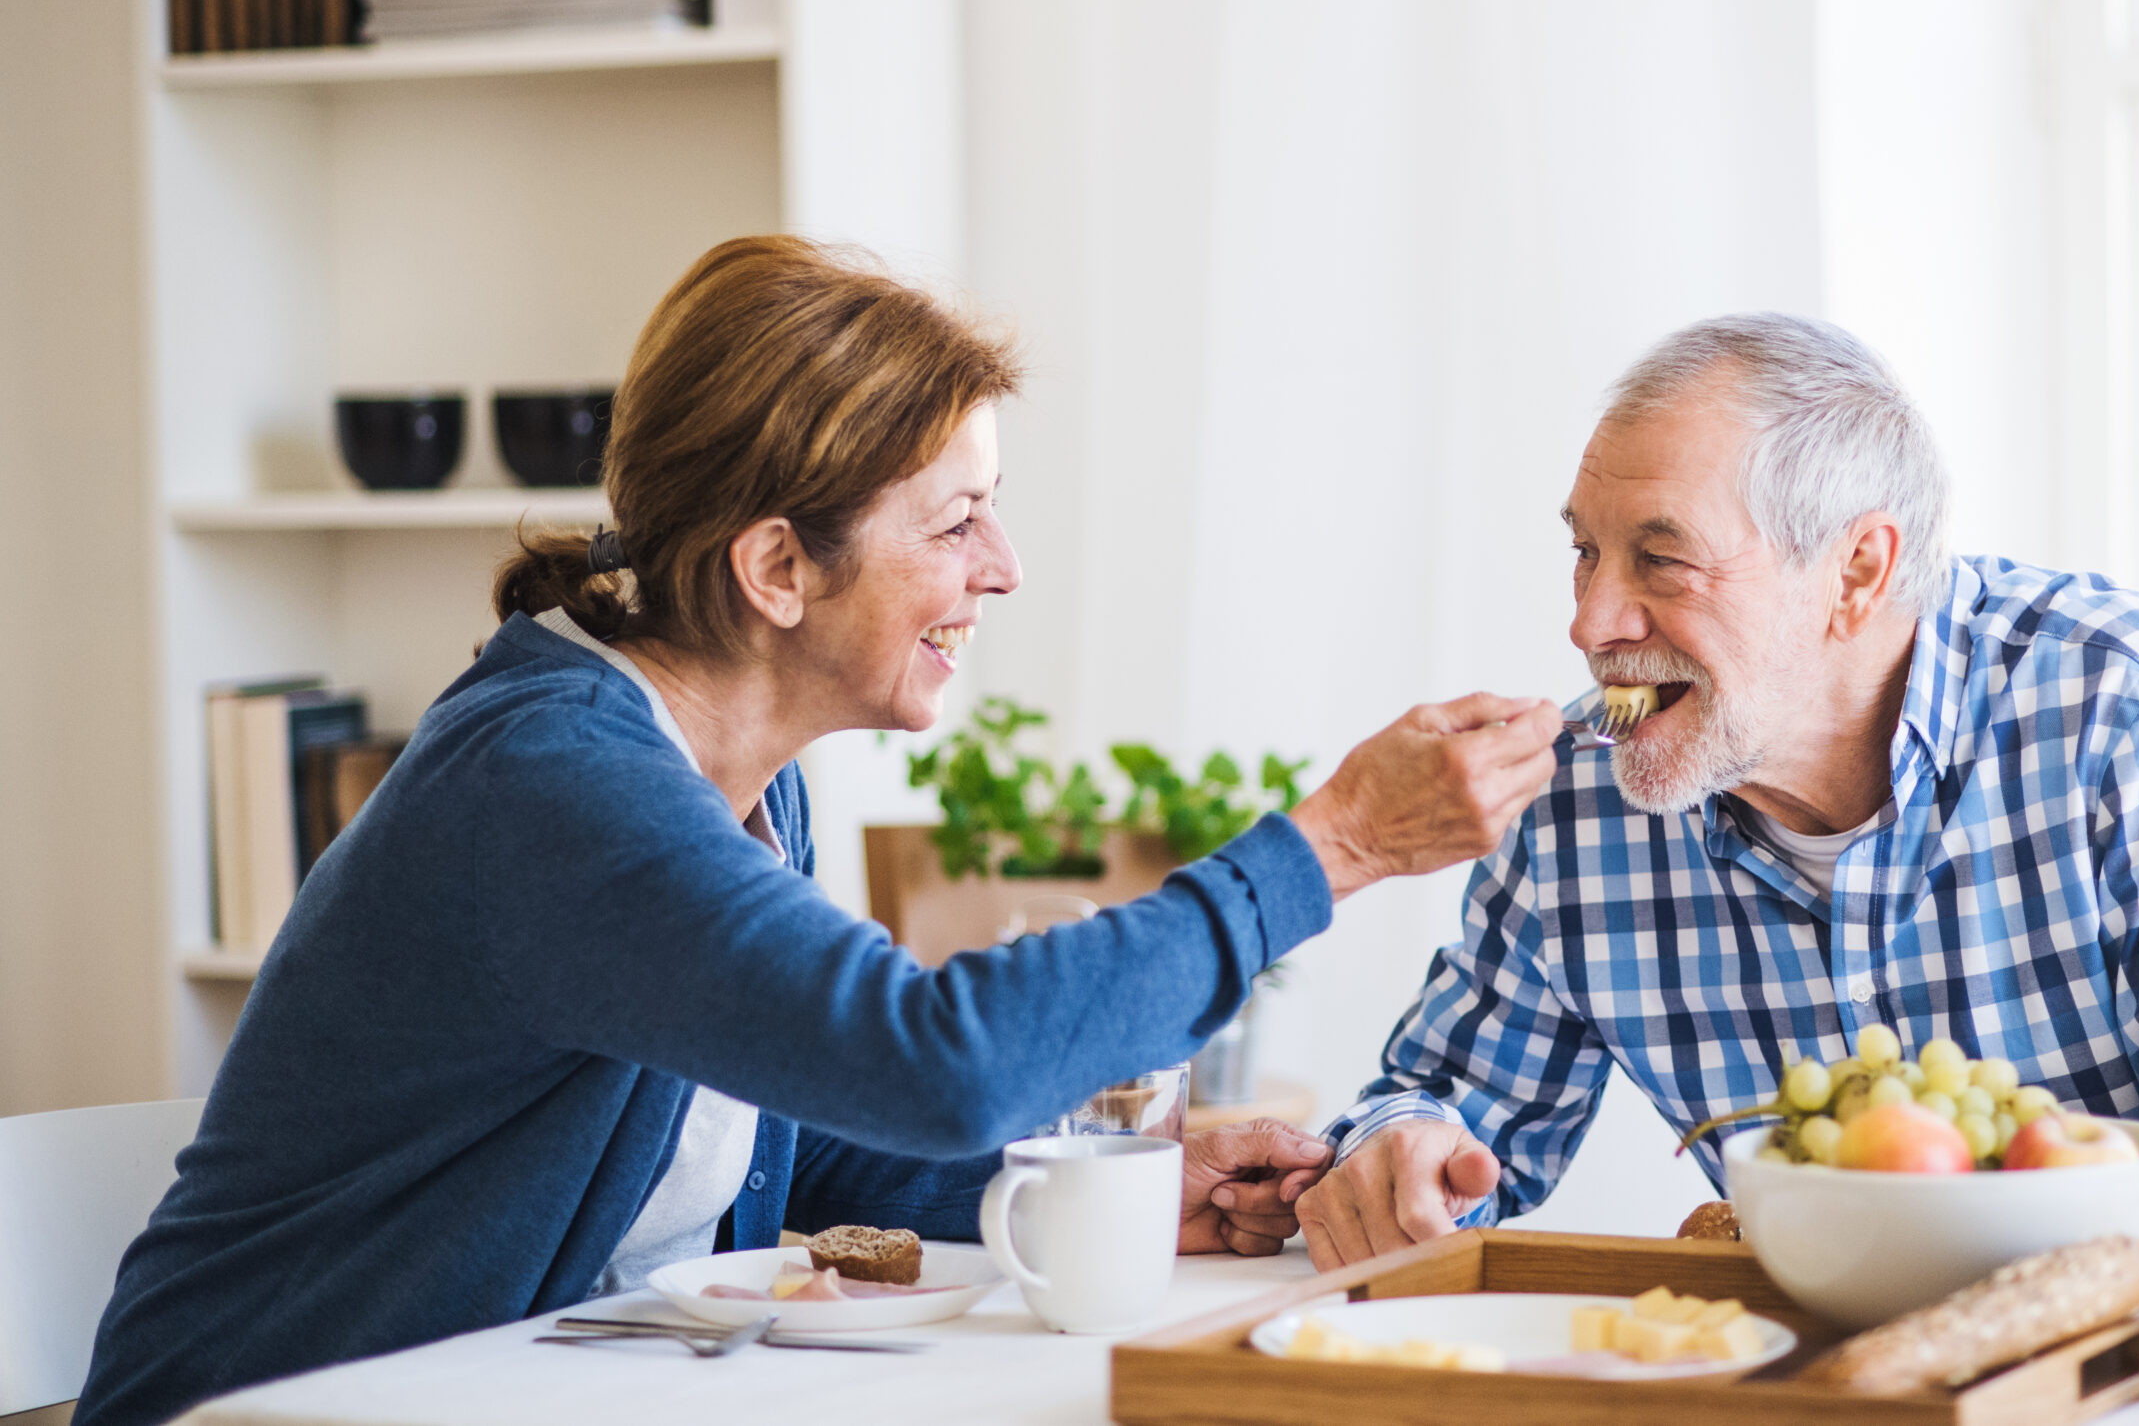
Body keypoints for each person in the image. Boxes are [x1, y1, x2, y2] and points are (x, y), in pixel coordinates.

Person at [79, 237, 1562, 1426]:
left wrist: (1097, 1182)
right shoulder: (548, 783)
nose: (1006, 567)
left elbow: (810, 1157)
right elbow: (933, 1055)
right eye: (956, 519)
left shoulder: (743, 775)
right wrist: (1336, 844)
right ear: (776, 564)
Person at [1288, 312, 2139, 1272]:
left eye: (1662, 560)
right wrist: (1401, 1155)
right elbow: (1446, 1110)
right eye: (1585, 552)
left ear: (1856, 573)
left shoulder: (2119, 700)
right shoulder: (1575, 795)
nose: (1591, 622)